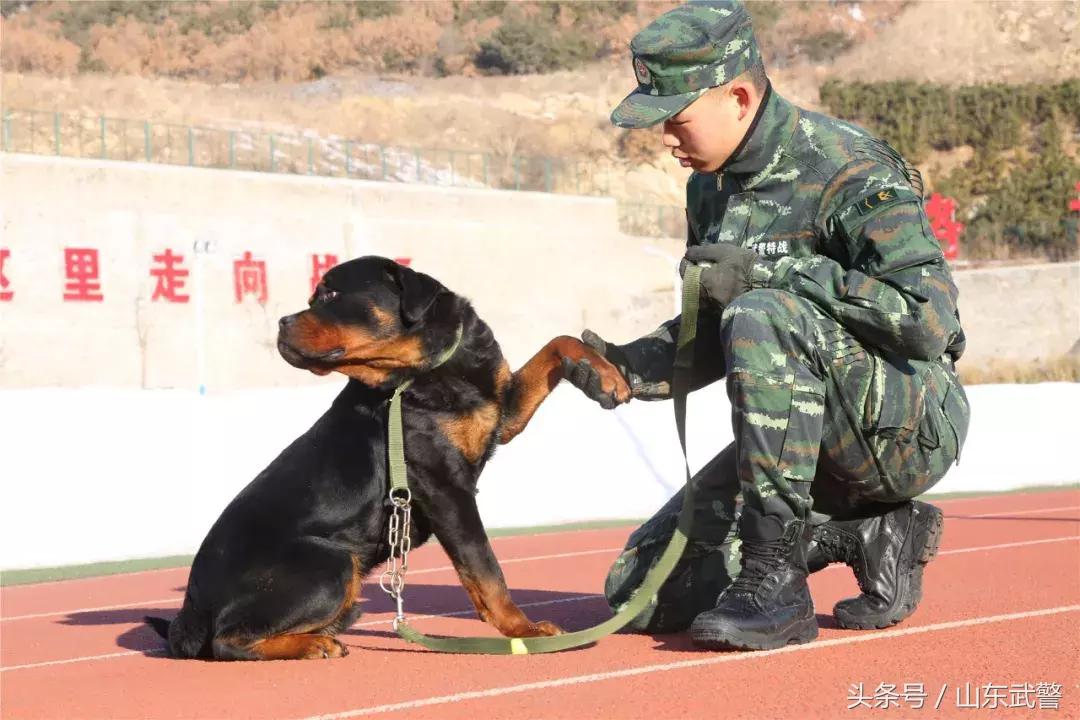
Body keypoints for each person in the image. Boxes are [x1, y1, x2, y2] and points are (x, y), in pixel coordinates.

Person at [561, 0, 970, 651]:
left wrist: (775, 277)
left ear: (741, 96)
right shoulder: (710, 189)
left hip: (903, 428)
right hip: (797, 442)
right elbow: (722, 330)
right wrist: (632, 367)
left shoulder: (848, 169)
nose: (666, 137)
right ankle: (858, 530)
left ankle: (775, 581)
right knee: (641, 591)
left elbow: (927, 322)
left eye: (678, 118)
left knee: (762, 309)